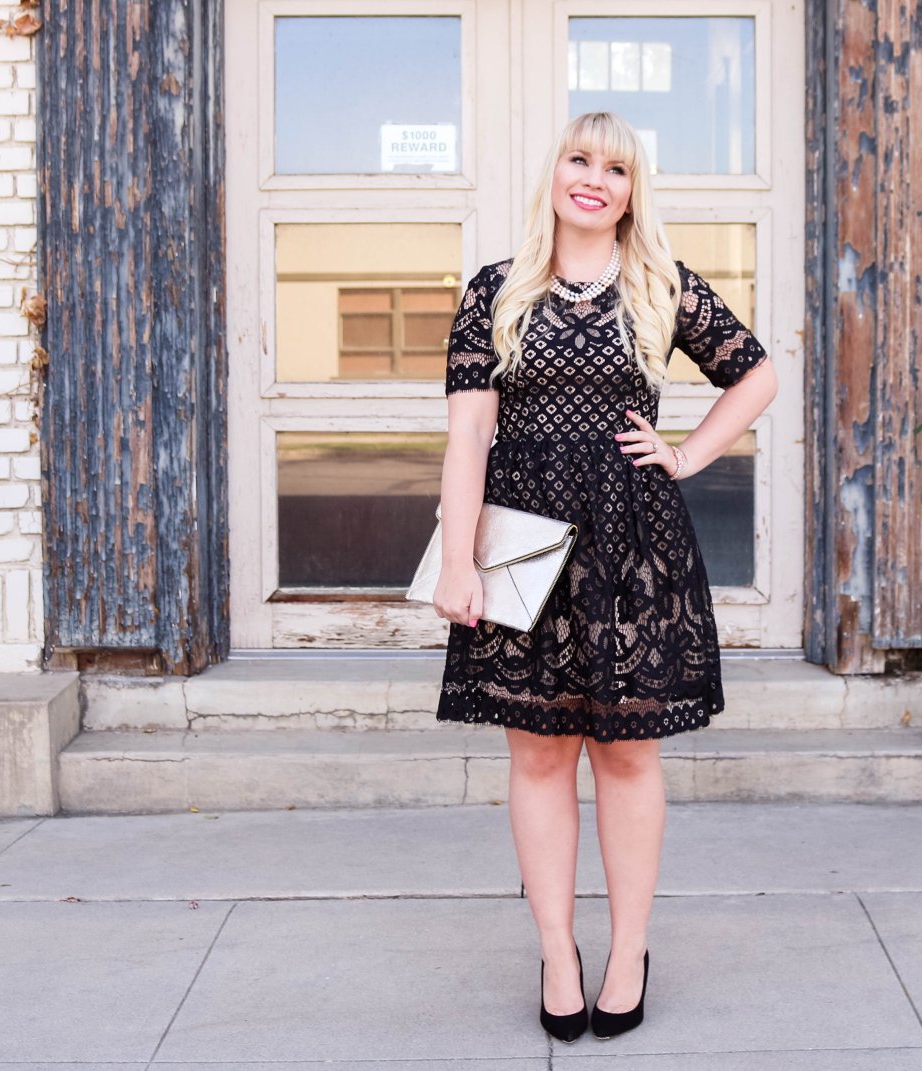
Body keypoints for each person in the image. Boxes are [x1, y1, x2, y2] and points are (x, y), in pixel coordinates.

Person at [431, 111, 778, 1043]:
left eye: (615, 169)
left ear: (632, 191)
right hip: (522, 540)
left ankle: (627, 950)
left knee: (627, 752)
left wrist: (688, 454)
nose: (594, 179)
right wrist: (457, 558)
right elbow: (467, 433)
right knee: (539, 751)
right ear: (555, 173)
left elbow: (756, 374)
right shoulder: (497, 290)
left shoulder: (659, 286)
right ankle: (557, 948)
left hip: (633, 544)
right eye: (579, 160)